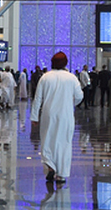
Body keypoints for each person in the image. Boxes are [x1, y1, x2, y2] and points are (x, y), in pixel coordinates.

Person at [30, 52, 83, 184]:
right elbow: (80, 96)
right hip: (65, 115)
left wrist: (34, 117)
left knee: (47, 141)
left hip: (48, 114)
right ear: (66, 63)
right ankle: (61, 174)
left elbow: (38, 99)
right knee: (64, 143)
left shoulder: (45, 77)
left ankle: (50, 166)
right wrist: (71, 104)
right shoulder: (71, 78)